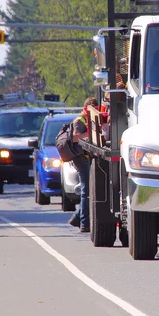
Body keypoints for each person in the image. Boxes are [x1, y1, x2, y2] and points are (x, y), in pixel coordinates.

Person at [68, 96, 99, 232]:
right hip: (80, 158)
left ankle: (77, 218)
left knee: (90, 189)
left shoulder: (88, 119)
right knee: (86, 189)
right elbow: (75, 137)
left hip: (86, 157)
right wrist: (90, 133)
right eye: (92, 109)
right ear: (86, 109)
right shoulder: (79, 121)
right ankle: (85, 223)